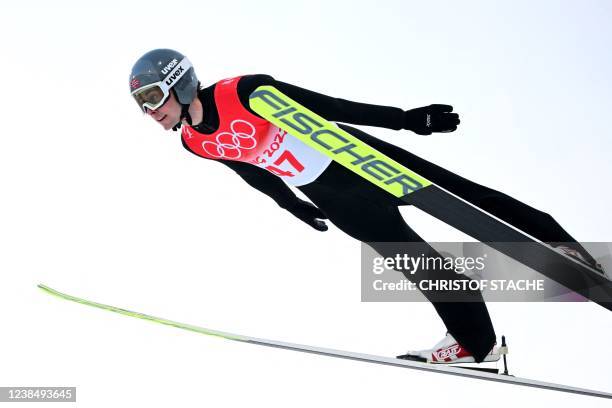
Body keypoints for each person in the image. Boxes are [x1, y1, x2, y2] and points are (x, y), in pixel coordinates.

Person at [129, 48, 602, 364]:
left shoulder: (244, 93)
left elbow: (328, 107)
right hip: (332, 197)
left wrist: (405, 120)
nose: (150, 111)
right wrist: (290, 204)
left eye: (151, 97)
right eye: (140, 105)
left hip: (358, 163)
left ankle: (564, 249)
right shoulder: (193, 142)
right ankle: (478, 345)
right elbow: (248, 167)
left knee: (466, 199)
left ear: (178, 81)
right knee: (421, 267)